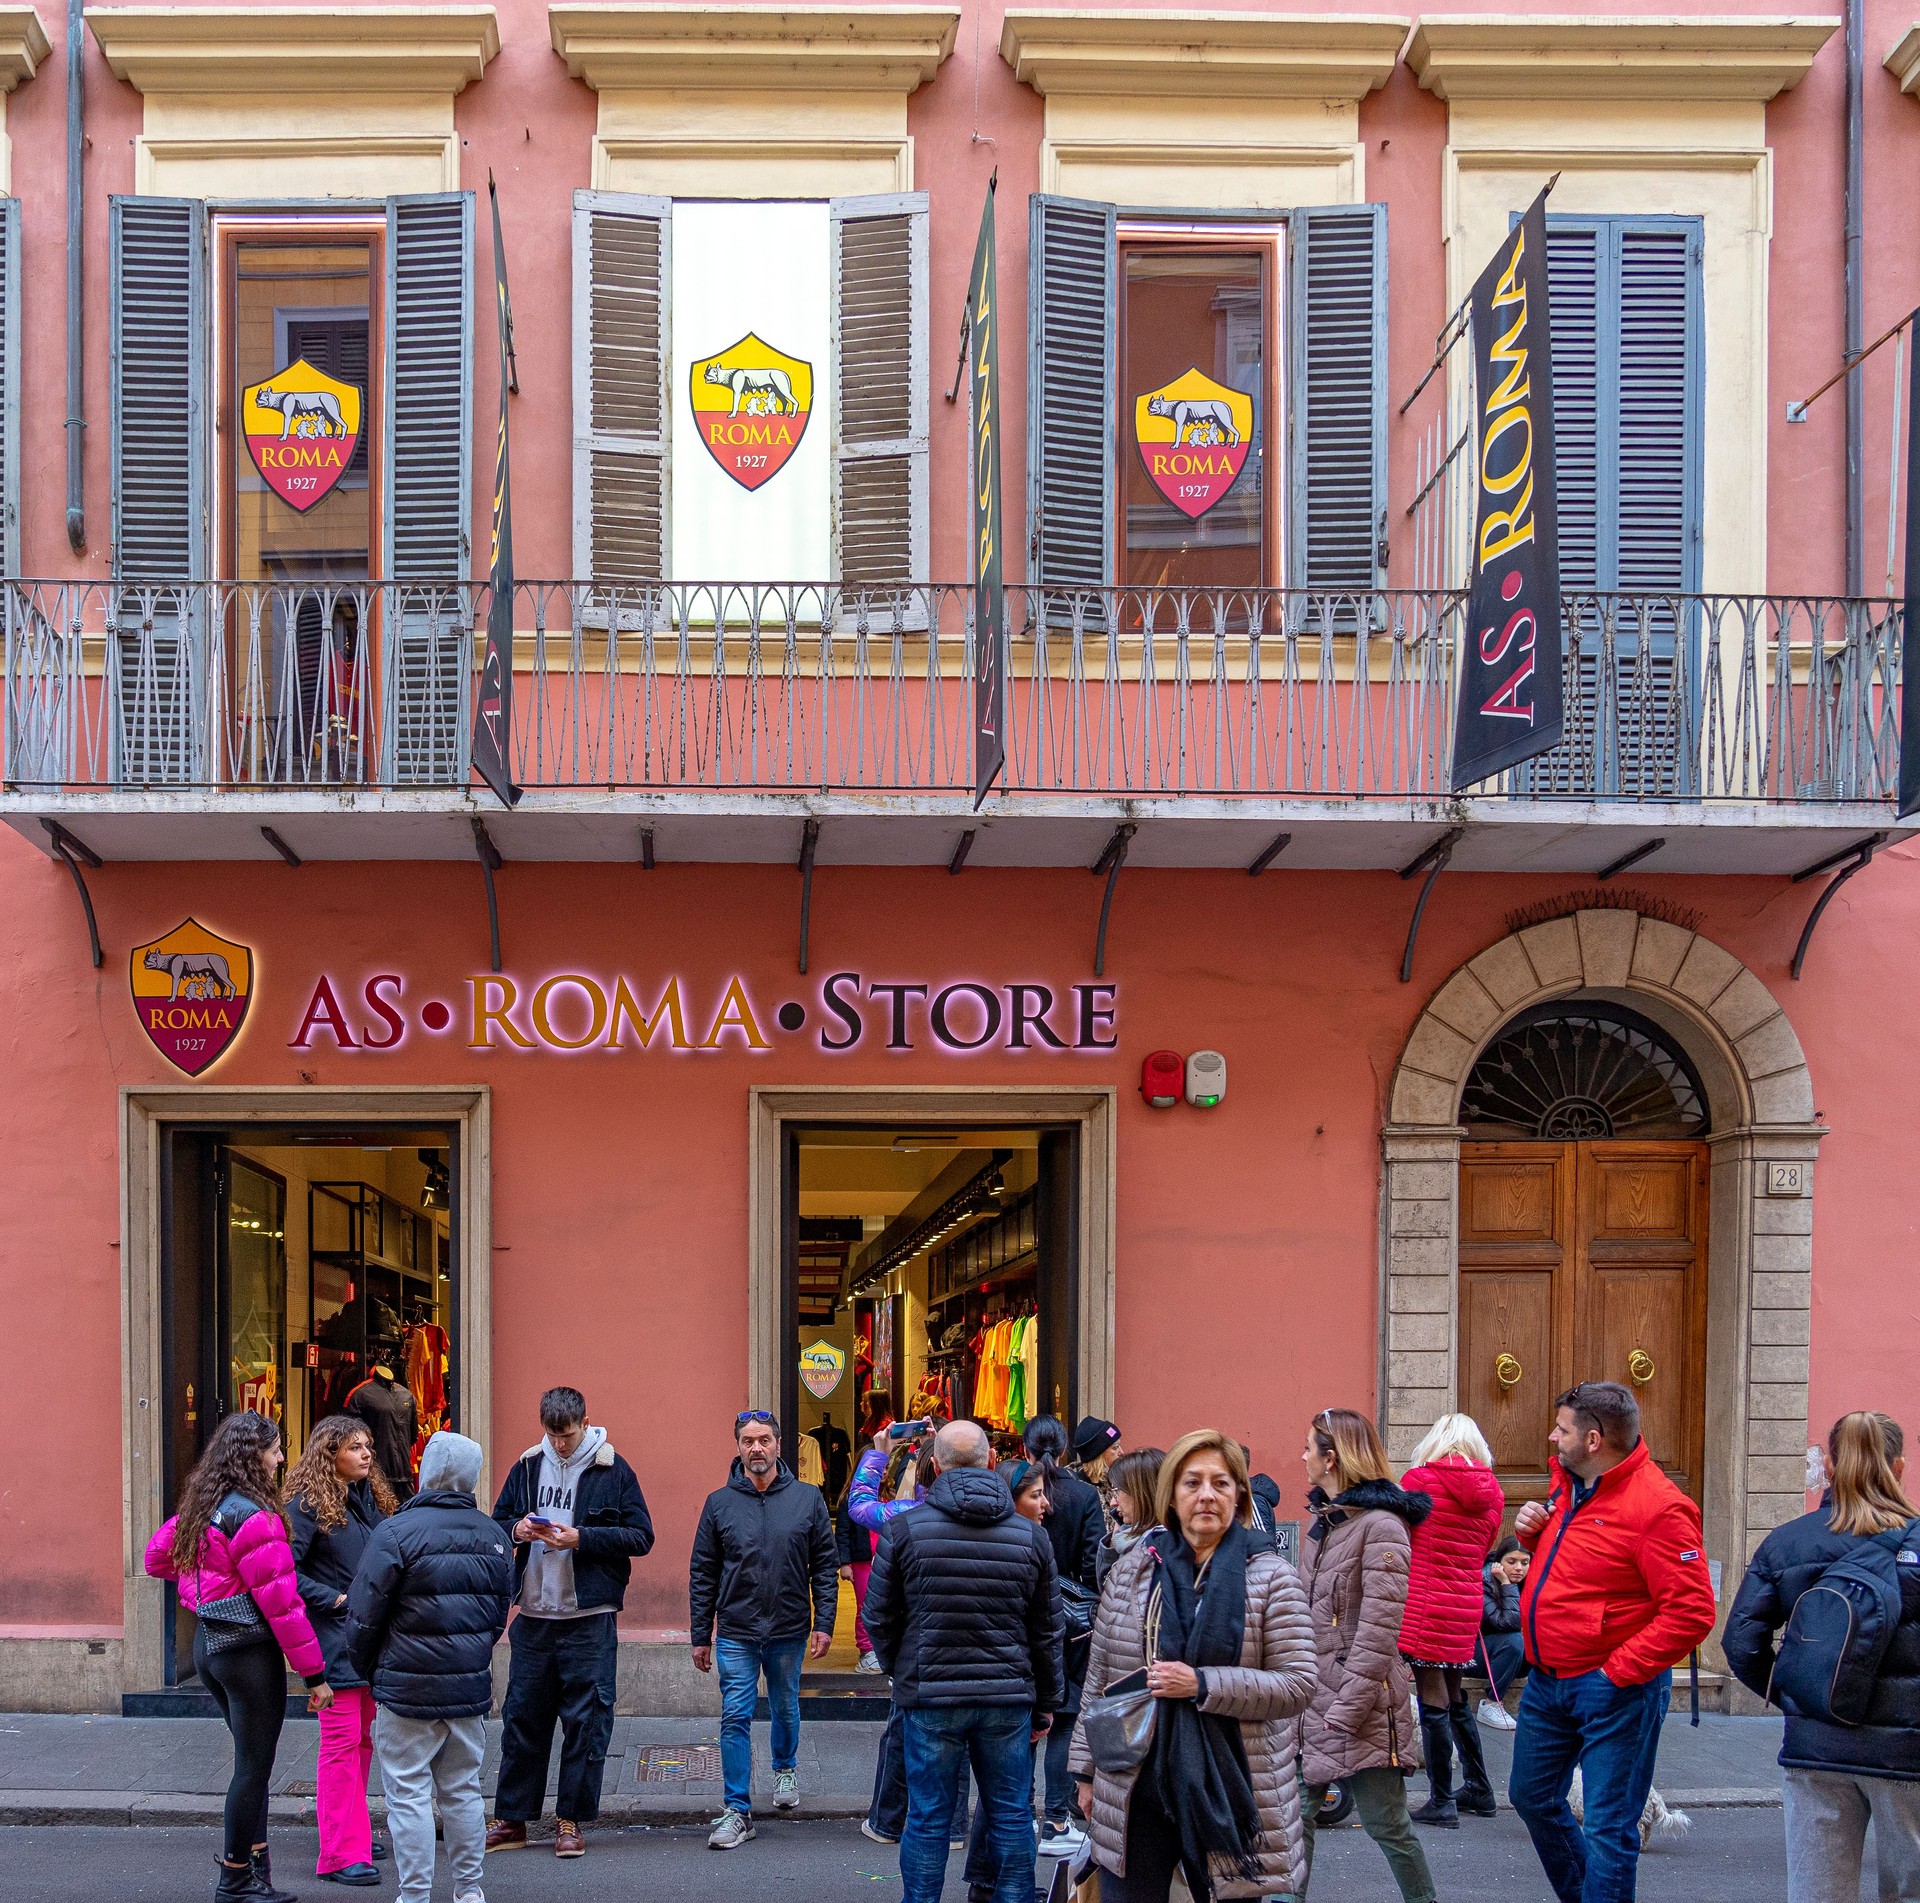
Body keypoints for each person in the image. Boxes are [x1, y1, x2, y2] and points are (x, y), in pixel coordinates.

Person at [1072, 1428, 1318, 1902]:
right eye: (1192, 1482)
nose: (1206, 1494)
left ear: (1239, 1494)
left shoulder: (1272, 1579)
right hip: (1135, 1781)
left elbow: (1298, 1684)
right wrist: (1084, 1772)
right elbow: (1100, 1677)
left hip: (1234, 1783)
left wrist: (1202, 1683)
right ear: (1170, 1494)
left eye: (1221, 1483)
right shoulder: (1133, 1570)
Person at [1509, 1381, 1716, 1903]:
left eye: (1562, 1429)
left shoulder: (1660, 1507)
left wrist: (1617, 1672)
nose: (1553, 1437)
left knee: (1609, 1828)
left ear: (1595, 1440)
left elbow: (1692, 1613)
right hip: (1549, 1680)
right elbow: (1579, 1572)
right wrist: (1533, 1536)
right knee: (1531, 1797)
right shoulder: (1571, 1484)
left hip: (1614, 1688)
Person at [862, 1419, 1064, 1903]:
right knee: (1011, 1814)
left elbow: (879, 1616)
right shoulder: (1031, 1537)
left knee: (929, 1817)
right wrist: (1047, 1701)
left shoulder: (904, 1528)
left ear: (935, 1464)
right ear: (992, 1461)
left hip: (932, 1696)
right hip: (1006, 1696)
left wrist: (901, 1671)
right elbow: (1047, 1629)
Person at [1723, 1410, 1920, 1903]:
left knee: (1818, 1894)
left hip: (1815, 1743)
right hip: (1909, 1752)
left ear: (1828, 1467)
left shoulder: (1789, 1541)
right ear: (1899, 1468)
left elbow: (1740, 1642)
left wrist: (1797, 1692)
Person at [145, 1410, 331, 1903]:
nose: (280, 1458)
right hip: (248, 1654)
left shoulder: (205, 1506)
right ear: (254, 1457)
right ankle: (234, 1879)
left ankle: (256, 1867)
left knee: (252, 1764)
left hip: (210, 1647)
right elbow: (284, 1608)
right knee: (252, 1768)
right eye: (274, 1449)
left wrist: (206, 1592)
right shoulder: (258, 1517)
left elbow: (157, 1557)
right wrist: (314, 1676)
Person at [486, 1387, 655, 1859]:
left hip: (589, 1618)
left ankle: (570, 1821)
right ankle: (513, 1820)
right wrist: (518, 1530)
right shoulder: (526, 1465)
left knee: (586, 1722)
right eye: (552, 1435)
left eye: (567, 1434)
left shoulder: (613, 1469)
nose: (559, 1444)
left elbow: (641, 1536)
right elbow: (496, 1524)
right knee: (522, 1719)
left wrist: (583, 1539)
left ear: (585, 1422)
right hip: (535, 1615)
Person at [347, 1430, 513, 1903]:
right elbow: (497, 1615)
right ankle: (469, 1891)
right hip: (466, 1689)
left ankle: (415, 1895)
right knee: (462, 1791)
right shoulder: (494, 1536)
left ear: (427, 1473)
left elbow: (363, 1614)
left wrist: (371, 1670)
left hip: (405, 1687)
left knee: (408, 1794)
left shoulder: (396, 1532)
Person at [1298, 1407, 1438, 1903]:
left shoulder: (1382, 1527)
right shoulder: (1324, 1525)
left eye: (1309, 1448)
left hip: (1364, 1707)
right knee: (1294, 1821)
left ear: (1331, 1459)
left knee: (1386, 1824)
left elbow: (1379, 1635)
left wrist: (1347, 1709)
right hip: (1313, 1700)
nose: (1302, 1456)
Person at [689, 1408, 838, 1850]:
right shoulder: (719, 1503)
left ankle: (785, 1767)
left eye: (764, 1440)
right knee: (735, 1714)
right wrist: (701, 1634)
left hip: (789, 1627)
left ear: (778, 1445)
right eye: (748, 1441)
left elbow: (825, 1568)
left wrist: (824, 1623)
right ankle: (736, 1809)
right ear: (738, 1447)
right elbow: (703, 1572)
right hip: (736, 1628)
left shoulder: (807, 1499)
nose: (757, 1448)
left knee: (785, 1705)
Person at [287, 1414, 398, 1886]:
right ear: (329, 1453)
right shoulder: (305, 1504)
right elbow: (282, 1571)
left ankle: (351, 1829)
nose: (367, 1454)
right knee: (340, 1744)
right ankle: (337, 1853)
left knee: (363, 1740)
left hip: (365, 1640)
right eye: (356, 1447)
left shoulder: (366, 1499)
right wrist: (331, 1598)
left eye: (368, 1445)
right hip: (331, 1640)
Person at [1399, 1413, 1506, 1827]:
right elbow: (1486, 1547)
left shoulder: (1418, 1481)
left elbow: (1403, 1538)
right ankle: (1479, 1788)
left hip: (1426, 1603)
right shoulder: (1493, 1492)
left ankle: (1441, 1799)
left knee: (1432, 1697)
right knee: (1455, 1693)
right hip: (1465, 1603)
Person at [1026, 1413, 1106, 1856]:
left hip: (1022, 1616)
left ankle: (1020, 1814)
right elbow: (1095, 1561)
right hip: (1070, 1622)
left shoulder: (1017, 1489)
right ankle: (1055, 1819)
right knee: (1064, 1718)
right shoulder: (1084, 1494)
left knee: (1026, 1718)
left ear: (1024, 1449)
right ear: (1064, 1450)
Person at [1467, 1537, 1528, 1729]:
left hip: (1503, 1658)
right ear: (1498, 1563)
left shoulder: (1528, 1583)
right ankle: (1491, 1704)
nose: (1519, 1568)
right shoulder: (1483, 1582)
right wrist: (1506, 1584)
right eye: (1511, 1562)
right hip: (1471, 1655)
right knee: (1514, 1640)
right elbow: (1508, 1623)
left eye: (1524, 1563)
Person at [1095, 1446, 1166, 1589]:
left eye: (1117, 1491)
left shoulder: (1156, 1550)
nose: (1113, 1502)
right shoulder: (1129, 1538)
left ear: (1141, 1493)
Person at [1073, 1417, 1125, 1528]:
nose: (1121, 1452)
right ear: (1098, 1455)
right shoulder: (1075, 1490)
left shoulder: (1119, 1483)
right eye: (1115, 1448)